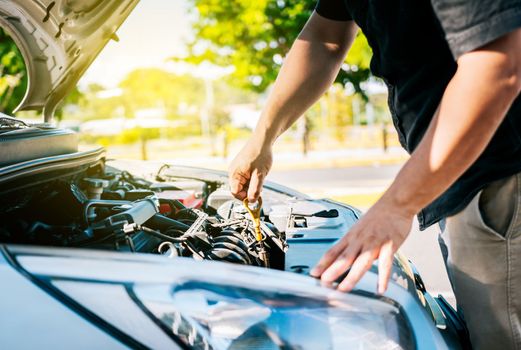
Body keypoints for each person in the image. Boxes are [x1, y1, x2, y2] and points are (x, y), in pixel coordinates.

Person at [228, 0, 521, 348]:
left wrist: (397, 205)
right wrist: (262, 139)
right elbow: (325, 37)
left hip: (502, 171)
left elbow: (496, 65)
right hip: (462, 175)